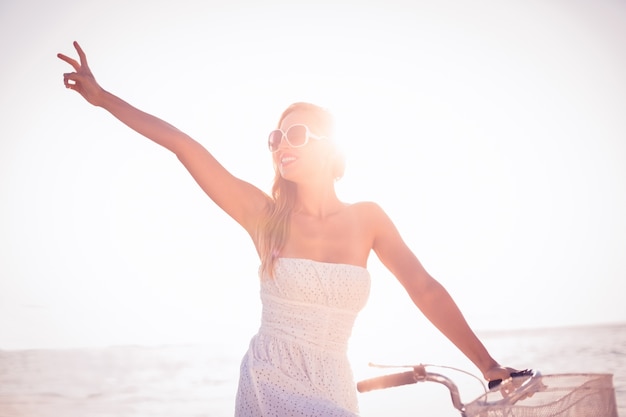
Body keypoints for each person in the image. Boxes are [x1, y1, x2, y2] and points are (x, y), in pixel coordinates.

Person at [58, 41, 520, 416]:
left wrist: (489, 365)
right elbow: (184, 146)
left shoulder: (368, 218)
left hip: (335, 384)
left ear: (328, 147)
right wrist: (103, 99)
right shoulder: (264, 217)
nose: (282, 145)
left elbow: (425, 289)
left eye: (295, 134)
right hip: (270, 380)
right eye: (276, 138)